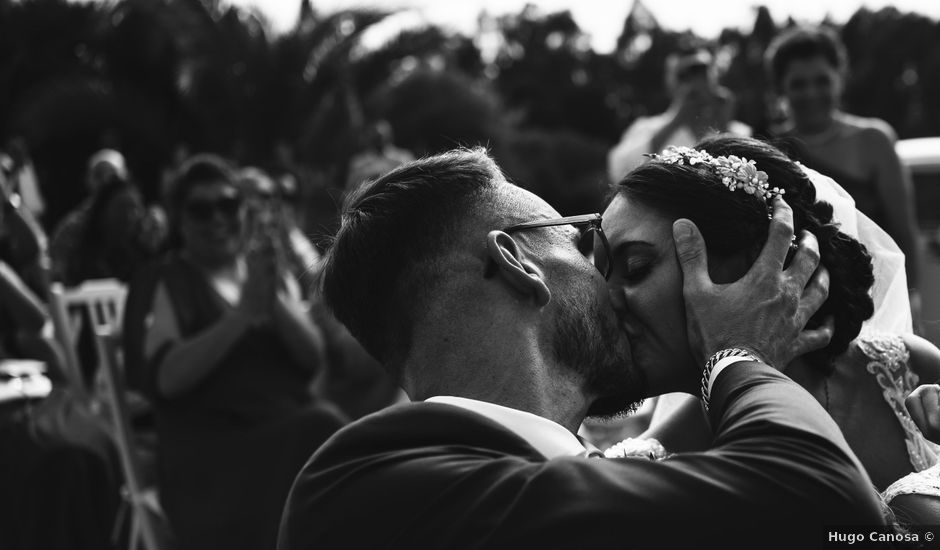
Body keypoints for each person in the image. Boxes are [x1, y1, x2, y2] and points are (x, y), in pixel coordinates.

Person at [278, 147, 884, 549]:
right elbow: (827, 506)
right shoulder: (366, 489)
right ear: (517, 262)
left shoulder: (583, 477)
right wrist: (738, 354)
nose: (611, 288)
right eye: (579, 245)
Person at [603, 136, 940, 501]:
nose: (607, 301)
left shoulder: (903, 371)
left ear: (756, 265)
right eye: (600, 275)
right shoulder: (639, 480)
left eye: (635, 268)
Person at [124, 154, 346, 550]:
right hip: (210, 463)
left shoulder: (260, 271)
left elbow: (312, 358)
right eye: (201, 210)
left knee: (329, 429)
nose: (217, 219)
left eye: (228, 205)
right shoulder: (169, 279)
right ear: (180, 220)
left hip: (279, 430)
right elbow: (165, 377)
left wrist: (272, 304)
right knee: (322, 428)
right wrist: (241, 316)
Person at [765, 25, 923, 311]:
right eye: (799, 84)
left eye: (822, 80)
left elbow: (904, 233)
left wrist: (910, 301)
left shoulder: (874, 141)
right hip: (802, 307)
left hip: (876, 300)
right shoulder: (770, 150)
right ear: (781, 89)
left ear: (841, 79)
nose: (811, 92)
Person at [607, 47, 751, 182]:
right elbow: (619, 171)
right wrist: (675, 122)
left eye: (703, 75)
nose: (696, 83)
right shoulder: (645, 128)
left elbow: (751, 179)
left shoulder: (740, 133)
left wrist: (724, 126)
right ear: (670, 82)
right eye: (685, 76)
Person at [48, 148, 166, 286]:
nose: (105, 181)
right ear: (88, 180)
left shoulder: (146, 222)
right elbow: (57, 272)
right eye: (99, 175)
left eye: (113, 176)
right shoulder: (73, 227)